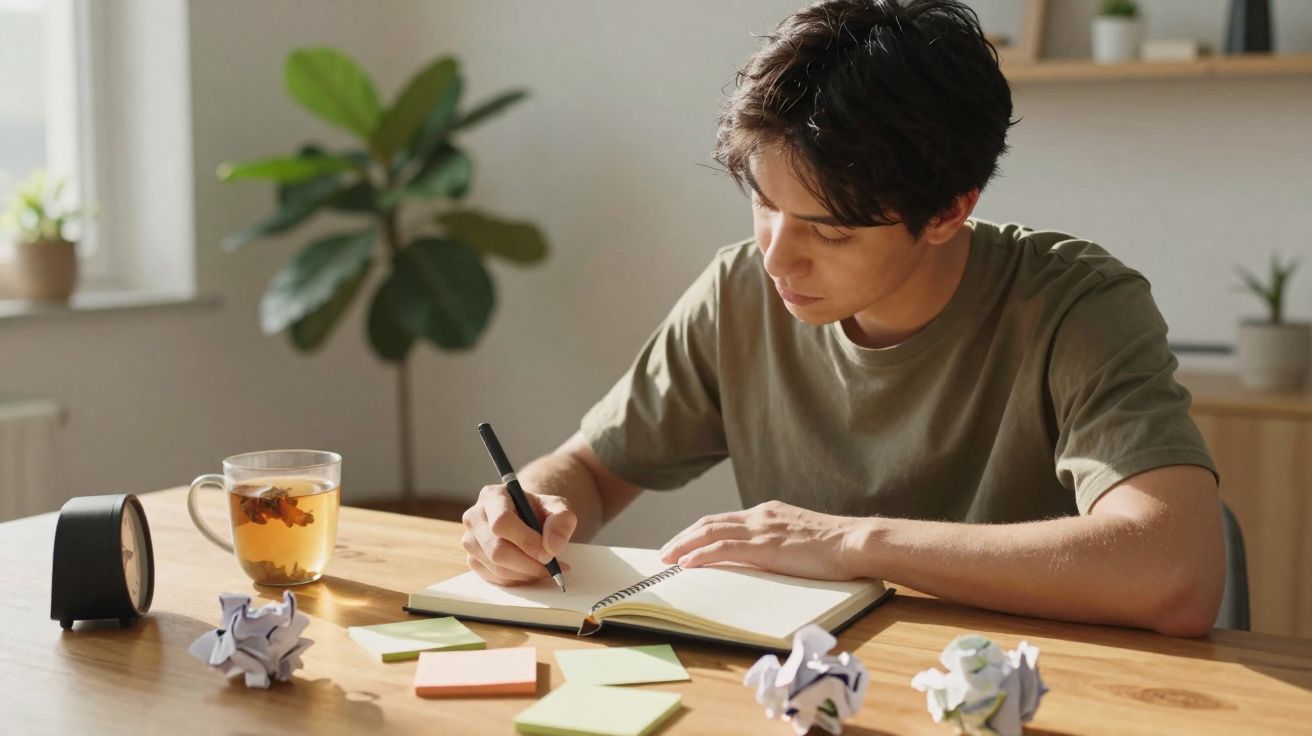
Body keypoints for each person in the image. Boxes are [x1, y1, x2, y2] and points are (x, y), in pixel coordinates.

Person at [460, 0, 1224, 637]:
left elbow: (1175, 571)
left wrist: (852, 543)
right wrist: (525, 511)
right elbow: (592, 470)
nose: (776, 259)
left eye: (829, 232)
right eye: (763, 202)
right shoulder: (737, 292)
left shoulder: (1075, 307)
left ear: (950, 210)